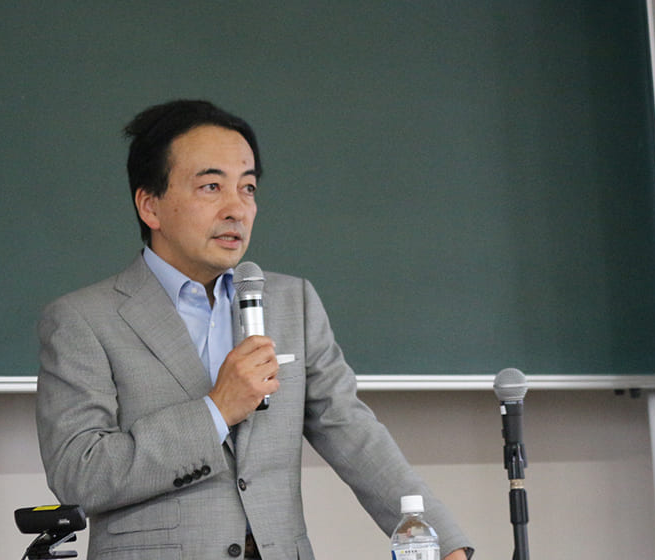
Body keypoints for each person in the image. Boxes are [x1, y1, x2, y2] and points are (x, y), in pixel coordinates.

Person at [35, 100, 473, 559]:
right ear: (150, 206)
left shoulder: (291, 301)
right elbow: (78, 474)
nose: (236, 209)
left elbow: (353, 431)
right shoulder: (84, 319)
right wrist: (215, 411)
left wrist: (441, 541)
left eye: (247, 188)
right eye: (211, 186)